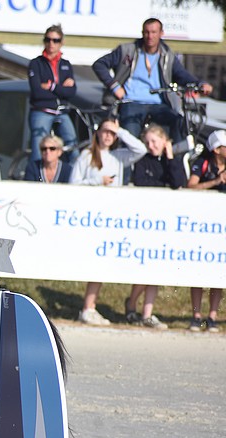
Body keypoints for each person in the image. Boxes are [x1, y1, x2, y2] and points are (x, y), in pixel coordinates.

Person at [70, 117, 147, 325]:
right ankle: (88, 307)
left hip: (110, 219)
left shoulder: (119, 156)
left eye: (112, 134)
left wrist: (120, 130)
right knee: (96, 262)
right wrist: (97, 181)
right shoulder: (86, 156)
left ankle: (90, 306)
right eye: (105, 131)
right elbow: (72, 185)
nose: (108, 136)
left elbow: (141, 149)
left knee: (102, 262)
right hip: (90, 217)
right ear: (97, 133)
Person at [92, 18, 212, 144]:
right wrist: (115, 87)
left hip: (159, 104)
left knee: (179, 123)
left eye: (154, 32)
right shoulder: (128, 51)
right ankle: (128, 162)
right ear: (142, 33)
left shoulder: (167, 55)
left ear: (161, 33)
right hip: (131, 101)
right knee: (129, 140)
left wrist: (200, 84)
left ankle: (176, 160)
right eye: (146, 32)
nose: (150, 36)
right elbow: (99, 65)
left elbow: (182, 75)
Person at [124, 124, 186, 330]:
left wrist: (169, 157)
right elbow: (141, 182)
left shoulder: (172, 161)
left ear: (164, 140)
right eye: (148, 142)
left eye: (155, 141)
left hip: (165, 224)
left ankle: (147, 314)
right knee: (145, 268)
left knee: (156, 271)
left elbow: (178, 182)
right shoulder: (143, 161)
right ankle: (132, 303)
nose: (151, 146)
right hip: (146, 221)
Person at [185, 129, 226, 332]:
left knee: (218, 274)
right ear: (217, 149)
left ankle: (212, 317)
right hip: (202, 226)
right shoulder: (202, 164)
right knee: (198, 273)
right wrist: (216, 182)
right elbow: (190, 186)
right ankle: (196, 315)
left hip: (222, 227)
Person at [28, 24, 78, 163]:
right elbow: (37, 92)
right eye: (48, 40)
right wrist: (61, 89)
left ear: (61, 43)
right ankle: (35, 181)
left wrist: (51, 86)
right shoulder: (36, 64)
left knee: (73, 148)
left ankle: (76, 181)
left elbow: (72, 92)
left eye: (55, 40)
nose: (51, 43)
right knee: (39, 150)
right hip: (41, 111)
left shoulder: (66, 65)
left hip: (62, 111)